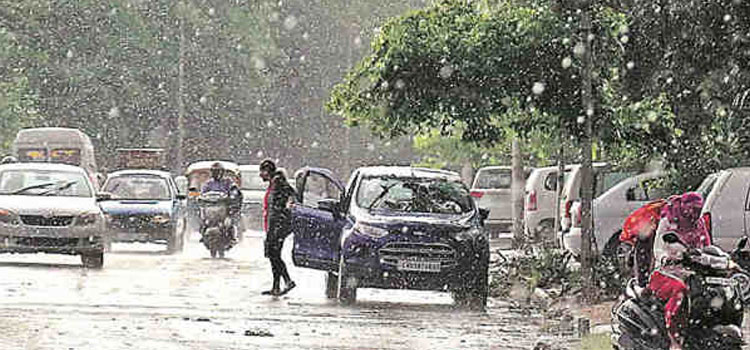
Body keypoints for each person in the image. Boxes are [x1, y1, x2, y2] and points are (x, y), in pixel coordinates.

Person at [621, 192, 711, 350]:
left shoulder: (699, 223)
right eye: (692, 209)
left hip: (690, 269)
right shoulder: (668, 221)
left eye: (698, 209)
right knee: (679, 290)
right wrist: (667, 257)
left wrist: (711, 258)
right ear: (684, 207)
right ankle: (674, 337)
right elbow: (658, 247)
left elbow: (706, 245)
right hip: (666, 271)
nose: (694, 213)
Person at [260, 158, 296, 296]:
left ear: (267, 171)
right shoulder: (274, 182)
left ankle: (287, 281)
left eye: (262, 171)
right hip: (273, 224)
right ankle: (276, 286)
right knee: (273, 255)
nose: (260, 175)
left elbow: (292, 194)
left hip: (278, 225)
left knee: (274, 255)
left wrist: (285, 210)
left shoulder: (278, 182)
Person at [201, 162, 242, 241]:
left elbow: (234, 190)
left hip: (223, 206)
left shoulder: (227, 182)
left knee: (229, 219)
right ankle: (203, 234)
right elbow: (203, 193)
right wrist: (200, 197)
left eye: (218, 171)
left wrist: (233, 194)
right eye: (214, 171)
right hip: (211, 207)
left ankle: (231, 235)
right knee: (203, 218)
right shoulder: (208, 183)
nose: (216, 174)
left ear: (222, 172)